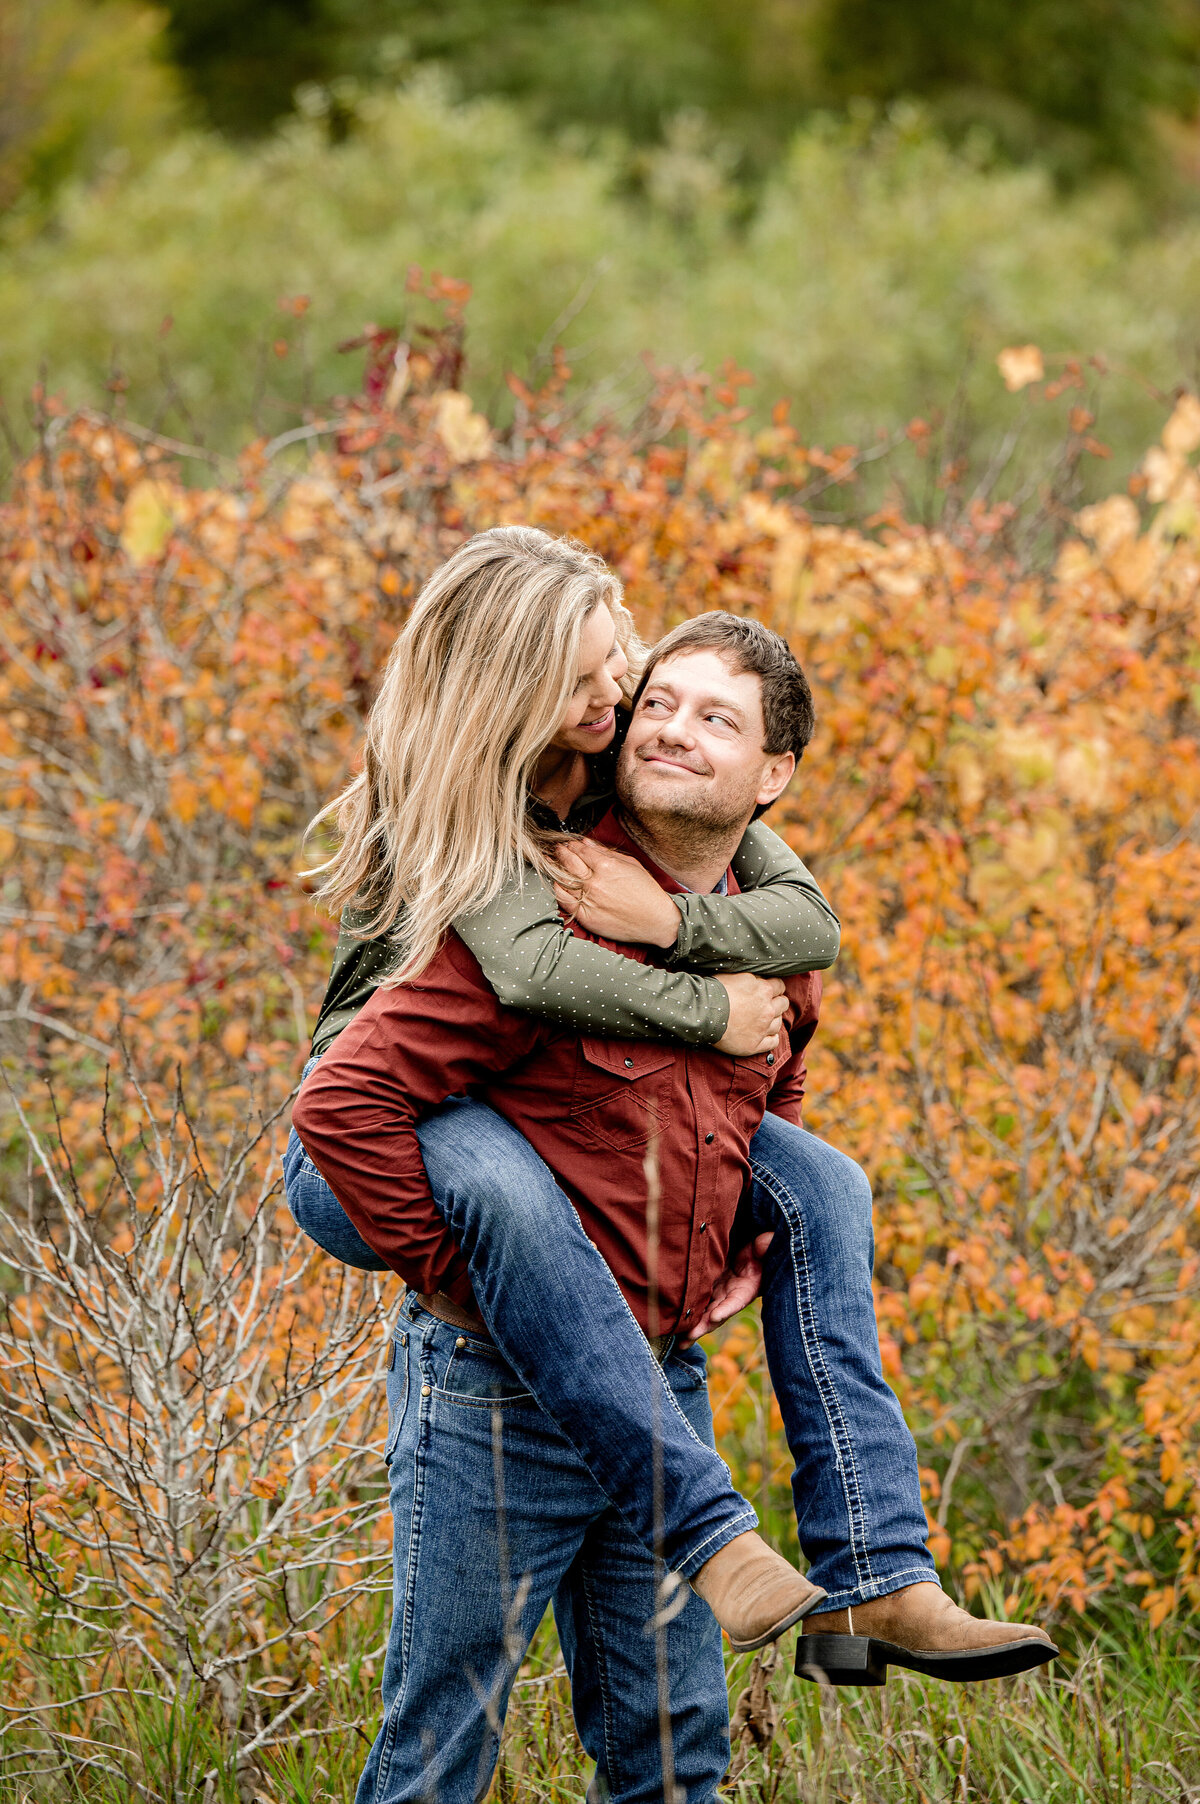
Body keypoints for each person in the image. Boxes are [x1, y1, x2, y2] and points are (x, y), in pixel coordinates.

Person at [290, 535, 1054, 1798]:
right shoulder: (520, 847)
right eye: (629, 694)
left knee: (819, 1181)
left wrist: (734, 1207)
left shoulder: (728, 886)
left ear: (774, 777)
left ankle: (874, 1573)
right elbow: (376, 1077)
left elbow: (789, 1007)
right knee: (439, 1750)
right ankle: (717, 1532)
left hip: (648, 1357)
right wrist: (454, 1279)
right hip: (451, 1277)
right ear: (530, 693)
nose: (634, 711)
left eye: (649, 689)